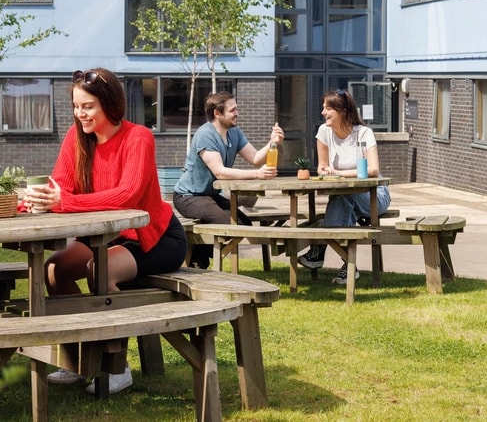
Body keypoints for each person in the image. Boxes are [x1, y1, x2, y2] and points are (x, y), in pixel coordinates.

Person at [24, 68, 188, 395]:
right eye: (76, 106)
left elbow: (128, 196)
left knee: (99, 269)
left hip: (152, 237)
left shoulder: (138, 137)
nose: (79, 114)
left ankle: (117, 366)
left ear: (109, 104)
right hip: (104, 235)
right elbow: (62, 187)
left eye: (88, 107)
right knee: (53, 270)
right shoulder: (76, 138)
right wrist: (34, 199)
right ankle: (80, 357)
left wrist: (63, 203)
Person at [172, 92, 284, 268]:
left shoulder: (234, 132)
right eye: (232, 110)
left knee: (244, 224)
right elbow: (220, 173)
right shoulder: (205, 135)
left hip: (210, 196)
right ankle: (198, 259)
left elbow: (255, 158)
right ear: (218, 113)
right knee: (226, 224)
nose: (237, 113)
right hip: (188, 196)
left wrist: (273, 142)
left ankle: (198, 256)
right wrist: (257, 174)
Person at [298, 88, 391, 284]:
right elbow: (322, 167)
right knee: (342, 201)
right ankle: (348, 267)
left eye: (328, 108)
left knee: (341, 199)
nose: (323, 112)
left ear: (344, 111)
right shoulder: (324, 132)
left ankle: (319, 249)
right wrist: (324, 171)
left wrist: (339, 173)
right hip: (344, 194)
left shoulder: (364, 133)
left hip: (375, 195)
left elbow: (373, 170)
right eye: (323, 108)